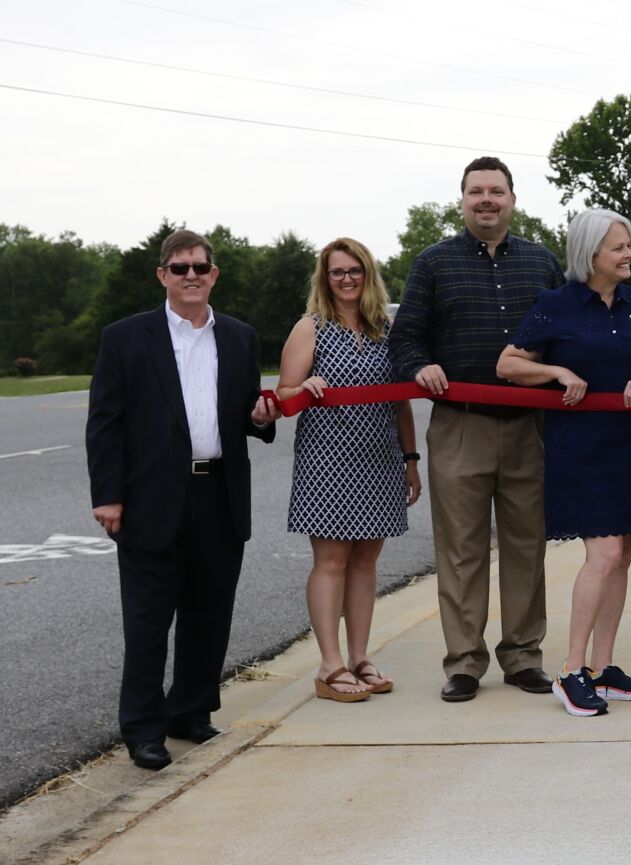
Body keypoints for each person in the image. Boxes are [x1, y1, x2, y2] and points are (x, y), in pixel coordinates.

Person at [85, 228, 278, 769]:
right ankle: (144, 729)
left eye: (199, 267)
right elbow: (105, 424)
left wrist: (260, 419)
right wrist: (108, 496)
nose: (190, 276)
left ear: (213, 274)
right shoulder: (126, 337)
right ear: (162, 275)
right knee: (148, 621)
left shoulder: (239, 337)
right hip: (150, 499)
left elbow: (246, 413)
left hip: (218, 492)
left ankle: (190, 712)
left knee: (208, 613)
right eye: (179, 268)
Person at [389, 156, 563, 703]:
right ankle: (464, 661)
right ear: (462, 200)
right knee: (461, 550)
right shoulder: (433, 263)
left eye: (496, 191)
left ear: (513, 198)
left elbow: (566, 336)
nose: (486, 200)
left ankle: (522, 656)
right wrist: (419, 366)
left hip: (530, 426)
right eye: (476, 192)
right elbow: (405, 339)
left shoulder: (542, 263)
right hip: (460, 426)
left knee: (526, 546)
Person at [497, 209, 631, 716]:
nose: (628, 254)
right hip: (580, 448)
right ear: (589, 252)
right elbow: (507, 364)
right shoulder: (557, 304)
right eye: (618, 247)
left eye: (629, 244)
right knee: (602, 555)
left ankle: (603, 668)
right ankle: (571, 671)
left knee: (622, 557)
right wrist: (554, 370)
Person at [274, 238, 421, 703]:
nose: (347, 279)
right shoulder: (310, 328)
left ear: (368, 274)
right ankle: (330, 664)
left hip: (379, 461)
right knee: (332, 562)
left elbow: (400, 403)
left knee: (366, 563)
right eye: (337, 272)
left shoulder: (386, 329)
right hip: (327, 461)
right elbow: (283, 393)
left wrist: (410, 461)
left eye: (355, 270)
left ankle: (360, 657)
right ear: (326, 278)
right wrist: (304, 384)